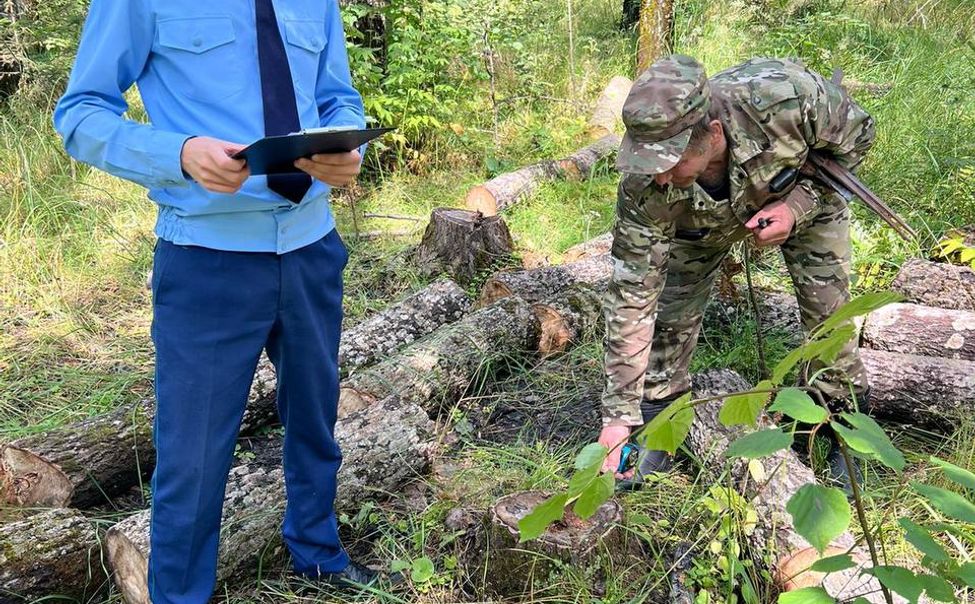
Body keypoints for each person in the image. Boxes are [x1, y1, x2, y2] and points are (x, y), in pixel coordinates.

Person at [53, 0, 377, 601]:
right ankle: (180, 594)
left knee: (315, 417)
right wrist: (176, 154)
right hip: (207, 261)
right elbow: (78, 115)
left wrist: (347, 145)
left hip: (312, 249)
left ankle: (317, 552)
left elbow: (337, 97)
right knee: (193, 454)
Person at [597, 55, 875, 490]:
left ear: (712, 133)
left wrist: (796, 206)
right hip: (696, 225)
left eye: (671, 160)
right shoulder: (646, 183)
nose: (661, 176)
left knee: (830, 319)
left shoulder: (787, 98)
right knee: (668, 319)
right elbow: (633, 293)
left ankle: (840, 423)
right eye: (650, 162)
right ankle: (659, 421)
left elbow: (859, 136)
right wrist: (617, 415)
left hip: (801, 198)